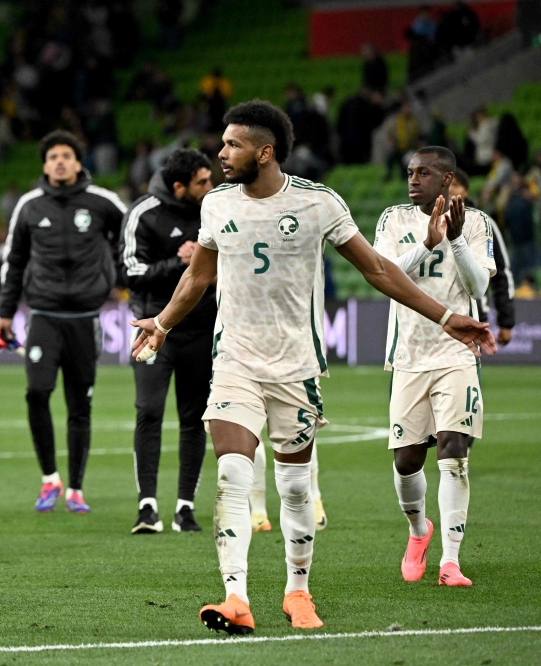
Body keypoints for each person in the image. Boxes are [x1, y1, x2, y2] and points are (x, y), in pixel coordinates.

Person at [130, 101, 495, 634]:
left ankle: (297, 592)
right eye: (223, 143)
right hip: (235, 362)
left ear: (265, 151)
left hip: (297, 370)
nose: (222, 153)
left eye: (232, 144)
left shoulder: (317, 203)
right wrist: (162, 323)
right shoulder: (216, 205)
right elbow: (198, 276)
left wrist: (445, 316)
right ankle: (235, 597)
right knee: (233, 473)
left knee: (295, 489)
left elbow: (375, 268)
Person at [372, 146, 496, 587]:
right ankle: (418, 531)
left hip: (456, 354)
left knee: (453, 452)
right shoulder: (392, 219)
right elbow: (383, 274)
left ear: (447, 179)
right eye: (410, 172)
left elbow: (478, 285)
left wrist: (456, 239)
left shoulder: (477, 223)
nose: (413, 179)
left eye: (423, 173)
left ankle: (451, 561)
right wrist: (427, 243)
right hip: (408, 356)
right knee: (407, 461)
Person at [0, 130, 127, 514]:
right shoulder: (30, 206)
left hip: (86, 319)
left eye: (66, 155)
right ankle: (50, 478)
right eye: (52, 156)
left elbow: (130, 240)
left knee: (79, 404)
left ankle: (77, 489)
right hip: (43, 317)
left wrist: (120, 280)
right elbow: (14, 260)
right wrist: (5, 313)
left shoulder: (102, 203)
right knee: (37, 392)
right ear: (44, 164)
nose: (59, 161)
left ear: (78, 162)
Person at [121, 149, 215, 534]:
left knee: (194, 419)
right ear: (180, 186)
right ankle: (147, 507)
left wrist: (205, 260)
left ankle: (185, 508)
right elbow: (131, 272)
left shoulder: (217, 209)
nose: (211, 187)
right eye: (202, 182)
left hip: (202, 331)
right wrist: (181, 263)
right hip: (154, 331)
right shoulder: (144, 213)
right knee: (150, 412)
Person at [450, 169, 515, 346]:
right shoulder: (427, 222)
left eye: (455, 185)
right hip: (434, 316)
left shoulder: (483, 223)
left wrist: (506, 322)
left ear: (466, 191)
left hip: (473, 316)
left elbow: (501, 274)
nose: (449, 190)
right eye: (445, 185)